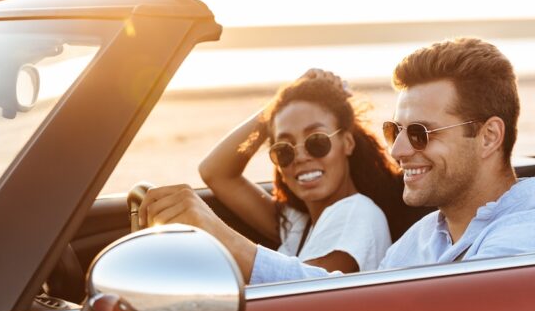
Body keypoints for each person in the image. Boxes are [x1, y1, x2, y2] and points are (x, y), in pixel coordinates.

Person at [239, 37, 535, 282]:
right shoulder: (423, 236)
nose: (398, 150)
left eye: (421, 133)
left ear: (489, 137)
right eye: (395, 131)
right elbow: (353, 300)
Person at [138, 70, 409, 281]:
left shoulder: (358, 213)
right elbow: (215, 172)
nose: (301, 155)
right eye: (284, 149)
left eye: (316, 141)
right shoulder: (300, 224)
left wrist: (212, 228)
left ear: (347, 143)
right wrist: (279, 105)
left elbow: (307, 291)